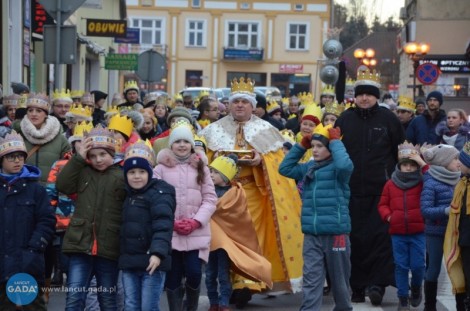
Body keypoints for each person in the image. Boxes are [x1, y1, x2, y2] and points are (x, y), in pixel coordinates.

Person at [200, 77, 303, 307]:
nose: (239, 105)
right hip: (223, 195)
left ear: (252, 105)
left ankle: (245, 284)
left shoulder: (266, 129)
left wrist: (260, 161)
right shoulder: (213, 130)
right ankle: (229, 283)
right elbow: (203, 163)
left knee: (250, 239)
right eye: (235, 101)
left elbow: (279, 165)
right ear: (228, 104)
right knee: (226, 242)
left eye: (244, 102)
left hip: (252, 193)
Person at [335, 69, 405, 305]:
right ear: (354, 96)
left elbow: (401, 152)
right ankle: (356, 286)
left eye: (369, 94)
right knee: (354, 239)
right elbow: (333, 150)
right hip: (350, 190)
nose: (364, 98)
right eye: (360, 94)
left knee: (380, 239)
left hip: (382, 190)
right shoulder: (344, 119)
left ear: (377, 96)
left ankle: (377, 284)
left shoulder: (389, 120)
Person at [279, 123, 353, 311]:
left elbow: (345, 164)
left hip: (336, 234)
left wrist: (335, 141)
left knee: (339, 282)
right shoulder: (309, 167)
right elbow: (284, 168)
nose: (316, 150)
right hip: (312, 234)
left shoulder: (339, 170)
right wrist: (301, 145)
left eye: (320, 146)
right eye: (314, 146)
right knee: (311, 280)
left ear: (330, 148)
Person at [56, 124, 126, 310]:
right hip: (81, 245)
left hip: (109, 247)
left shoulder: (122, 175)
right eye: (93, 156)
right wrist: (78, 158)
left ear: (112, 154)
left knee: (107, 299)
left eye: (103, 154)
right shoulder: (83, 171)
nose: (98, 160)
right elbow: (63, 185)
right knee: (74, 298)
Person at [153, 124, 217, 311]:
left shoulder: (201, 168)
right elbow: (155, 199)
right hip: (170, 233)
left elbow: (210, 198)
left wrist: (196, 221)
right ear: (171, 145)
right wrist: (170, 222)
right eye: (177, 141)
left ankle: (191, 307)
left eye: (186, 141)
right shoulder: (160, 169)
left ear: (191, 145)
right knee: (173, 276)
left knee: (194, 272)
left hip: (196, 232)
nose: (182, 145)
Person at [0, 131, 56, 310]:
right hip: (2, 264)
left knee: (34, 307)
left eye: (20, 156)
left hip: (28, 263)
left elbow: (47, 221)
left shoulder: (36, 190)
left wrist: (34, 248)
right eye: (11, 157)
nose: (17, 160)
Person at [119, 140, 176, 311]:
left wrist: (157, 253)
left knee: (148, 306)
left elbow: (163, 225)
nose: (137, 176)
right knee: (130, 305)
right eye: (132, 172)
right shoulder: (125, 194)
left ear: (150, 173)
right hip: (130, 261)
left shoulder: (160, 193)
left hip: (152, 262)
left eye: (142, 171)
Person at [377, 142, 427, 310]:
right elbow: (382, 204)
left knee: (419, 265)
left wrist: (421, 161)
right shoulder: (391, 184)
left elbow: (431, 176)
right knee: (401, 266)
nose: (408, 168)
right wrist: (389, 216)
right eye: (405, 165)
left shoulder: (422, 182)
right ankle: (403, 298)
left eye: (411, 165)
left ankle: (416, 287)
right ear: (399, 166)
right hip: (397, 232)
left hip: (418, 231)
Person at [46, 121, 93, 288]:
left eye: (85, 141)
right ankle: (59, 271)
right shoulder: (59, 165)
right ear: (73, 144)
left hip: (84, 219)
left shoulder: (93, 165)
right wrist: (50, 213)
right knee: (61, 251)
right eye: (78, 141)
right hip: (62, 218)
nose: (82, 144)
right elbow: (51, 191)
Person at [421, 144, 461, 311]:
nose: (458, 162)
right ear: (444, 162)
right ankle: (429, 306)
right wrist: (446, 211)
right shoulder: (431, 182)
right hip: (436, 233)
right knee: (433, 269)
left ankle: (461, 304)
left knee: (457, 269)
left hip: (455, 232)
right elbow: (426, 210)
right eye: (455, 159)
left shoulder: (459, 179)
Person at [444, 141, 470, 311]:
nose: (459, 163)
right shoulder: (462, 183)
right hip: (463, 240)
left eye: (464, 161)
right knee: (465, 277)